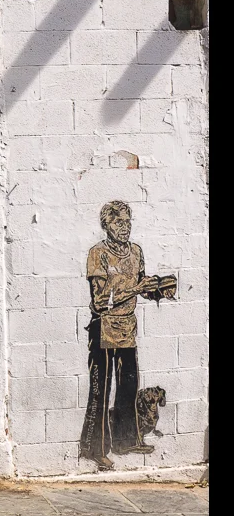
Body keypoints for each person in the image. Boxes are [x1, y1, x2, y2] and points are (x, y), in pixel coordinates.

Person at [79, 200, 173, 470]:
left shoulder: (136, 251)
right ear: (106, 224)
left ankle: (126, 440)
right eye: (119, 222)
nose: (125, 227)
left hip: (127, 328)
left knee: (129, 387)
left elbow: (140, 286)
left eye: (128, 222)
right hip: (104, 329)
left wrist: (157, 289)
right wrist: (135, 288)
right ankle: (95, 449)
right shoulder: (98, 254)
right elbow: (100, 301)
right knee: (101, 391)